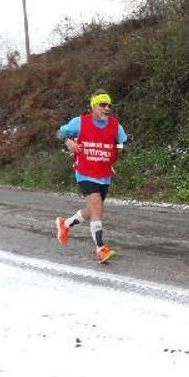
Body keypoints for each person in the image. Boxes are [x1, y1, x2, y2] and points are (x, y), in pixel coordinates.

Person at [55, 90, 127, 263]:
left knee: (92, 211)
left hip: (104, 174)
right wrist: (69, 141)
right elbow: (59, 133)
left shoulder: (115, 125)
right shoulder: (79, 122)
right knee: (97, 209)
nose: (107, 108)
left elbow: (122, 142)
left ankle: (65, 224)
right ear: (93, 106)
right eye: (103, 105)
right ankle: (101, 249)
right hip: (85, 172)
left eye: (109, 105)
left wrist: (114, 152)